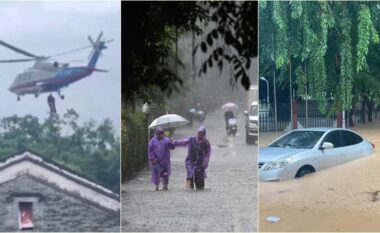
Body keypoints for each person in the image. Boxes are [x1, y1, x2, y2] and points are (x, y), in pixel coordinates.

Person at [148, 126, 175, 191]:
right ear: (156, 133)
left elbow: (172, 147)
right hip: (156, 160)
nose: (161, 135)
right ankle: (157, 186)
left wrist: (171, 142)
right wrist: (153, 158)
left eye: (162, 133)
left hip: (165, 160)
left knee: (165, 174)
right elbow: (150, 150)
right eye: (159, 133)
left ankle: (165, 185)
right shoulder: (153, 141)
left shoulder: (167, 140)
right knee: (157, 173)